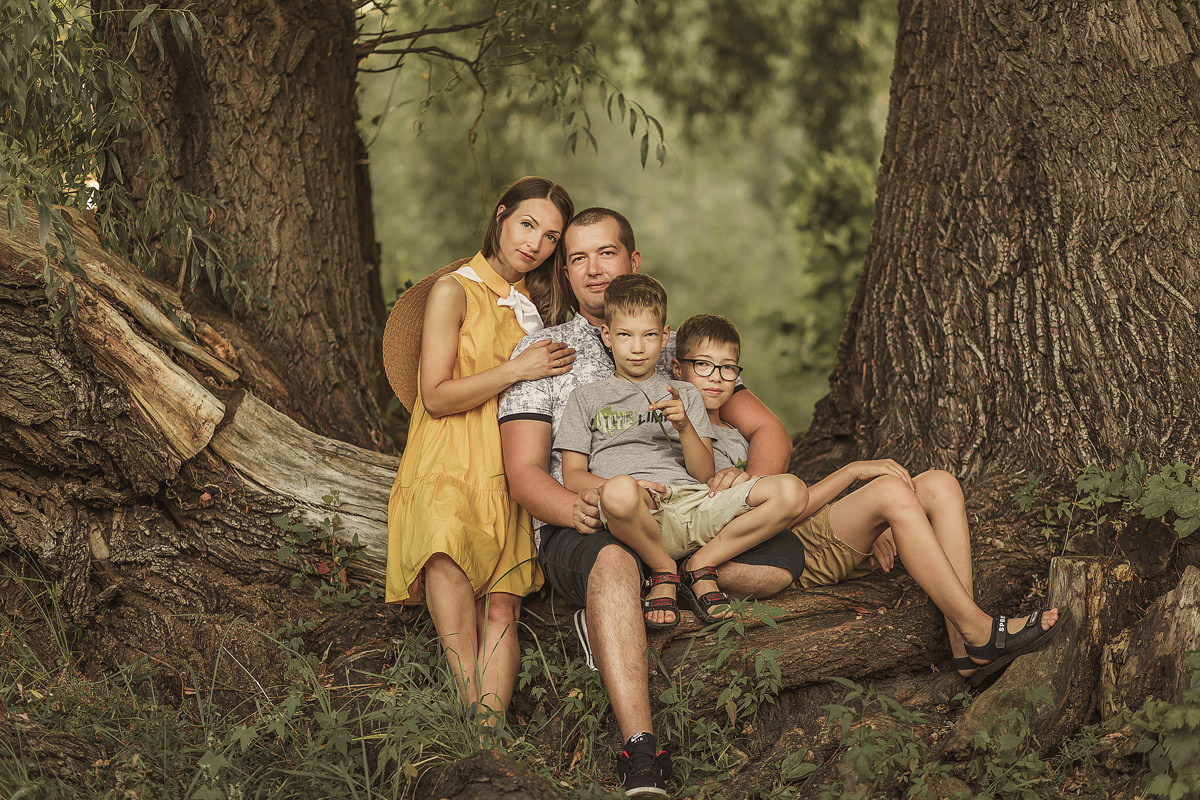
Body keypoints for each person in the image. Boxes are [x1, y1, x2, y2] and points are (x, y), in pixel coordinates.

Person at [499, 209, 806, 797]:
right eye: (579, 258)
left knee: (775, 561)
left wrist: (736, 480)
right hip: (589, 519)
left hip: (682, 510)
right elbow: (524, 473)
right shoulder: (546, 350)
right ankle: (642, 749)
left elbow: (769, 433)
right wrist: (576, 509)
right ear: (565, 271)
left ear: (632, 261)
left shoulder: (670, 345)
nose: (594, 269)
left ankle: (673, 580)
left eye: (607, 253)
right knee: (612, 562)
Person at [671, 312, 1064, 689]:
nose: (717, 378)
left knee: (940, 484)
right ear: (676, 369)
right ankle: (978, 628)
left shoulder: (735, 431)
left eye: (728, 368)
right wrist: (852, 474)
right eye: (703, 366)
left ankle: (966, 651)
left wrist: (884, 516)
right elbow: (774, 516)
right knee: (890, 491)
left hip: (801, 526)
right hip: (779, 548)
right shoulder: (686, 438)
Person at [381, 176, 578, 727]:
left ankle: (489, 732)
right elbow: (437, 395)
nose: (536, 243)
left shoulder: (532, 310)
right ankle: (471, 722)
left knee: (501, 605)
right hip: (447, 457)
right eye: (528, 224)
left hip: (507, 462)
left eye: (551, 237)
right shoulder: (454, 290)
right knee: (452, 576)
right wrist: (519, 367)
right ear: (500, 216)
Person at [556, 275, 809, 630]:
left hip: (695, 504)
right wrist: (632, 485)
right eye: (625, 335)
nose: (637, 347)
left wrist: (685, 426)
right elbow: (573, 476)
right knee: (618, 490)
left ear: (664, 337)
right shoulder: (585, 398)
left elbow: (705, 474)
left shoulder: (685, 394)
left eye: (648, 335)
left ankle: (700, 564)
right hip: (639, 513)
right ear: (607, 336)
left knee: (791, 490)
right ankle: (663, 569)